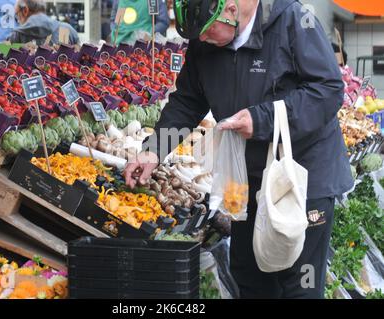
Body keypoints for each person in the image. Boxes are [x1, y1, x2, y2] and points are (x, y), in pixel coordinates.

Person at [124, 0, 354, 299]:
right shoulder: (203, 40)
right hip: (246, 180)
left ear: (230, 10)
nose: (201, 41)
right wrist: (154, 150)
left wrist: (261, 120)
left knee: (298, 283)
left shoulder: (294, 21)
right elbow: (189, 100)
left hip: (301, 178)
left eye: (207, 33)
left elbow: (328, 90)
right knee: (249, 276)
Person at [8, 0, 79, 45]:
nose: (18, 20)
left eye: (17, 15)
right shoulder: (66, 30)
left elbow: (4, 62)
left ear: (25, 10)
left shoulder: (17, 35)